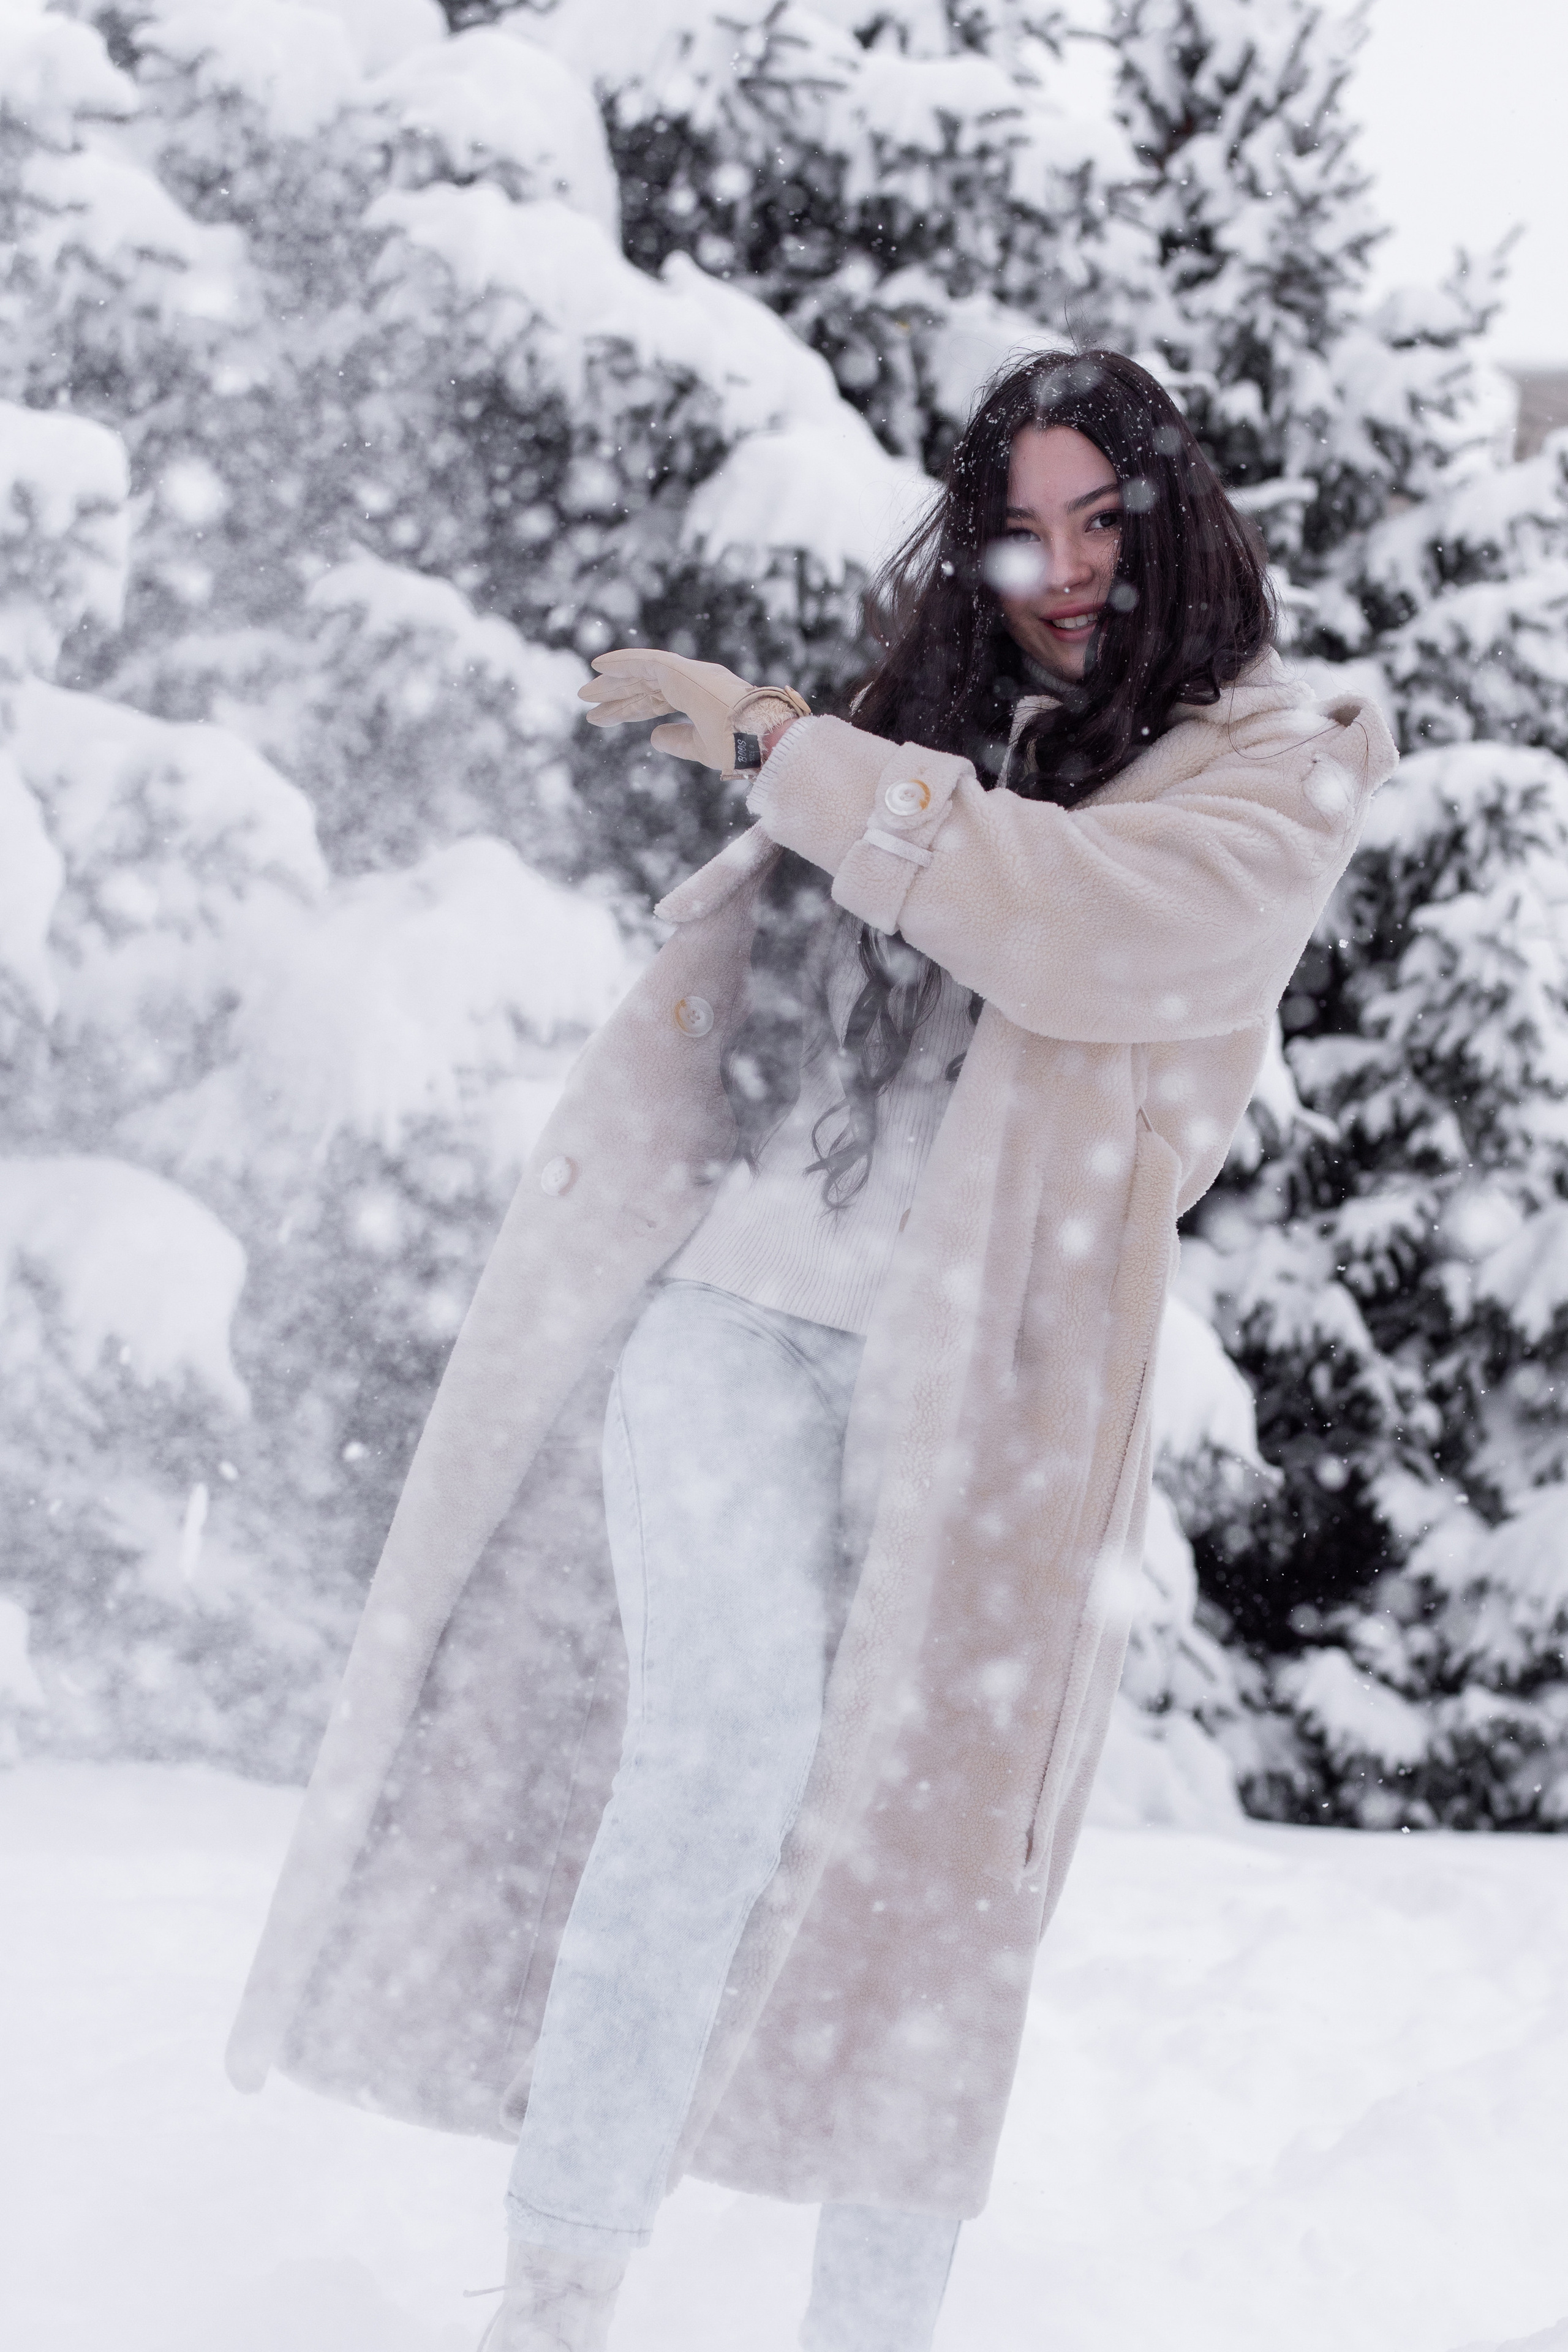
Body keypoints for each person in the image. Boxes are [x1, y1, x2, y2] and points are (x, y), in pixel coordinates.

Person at [226, 350, 1397, 2352]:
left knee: (935, 1879)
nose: (1070, 567)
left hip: (997, 1394)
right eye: (1025, 525)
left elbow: (1073, 925)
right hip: (727, 1326)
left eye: (1107, 517)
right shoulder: (914, 725)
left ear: (1177, 513)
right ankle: (559, 2296)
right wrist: (819, 761)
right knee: (716, 1762)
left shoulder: (1278, 759)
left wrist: (777, 741)